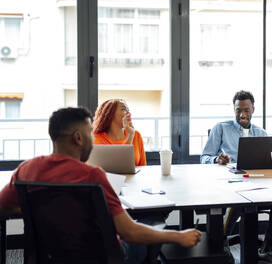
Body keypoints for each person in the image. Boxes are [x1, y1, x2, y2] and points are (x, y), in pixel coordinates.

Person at [0, 107, 201, 264]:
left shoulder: (26, 170)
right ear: (78, 137)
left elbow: (2, 208)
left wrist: (35, 210)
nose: (92, 141)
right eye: (89, 133)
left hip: (49, 256)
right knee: (154, 218)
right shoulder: (92, 175)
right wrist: (178, 236)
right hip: (104, 257)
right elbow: (128, 232)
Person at [200, 90, 272, 263]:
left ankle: (267, 247)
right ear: (234, 109)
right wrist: (217, 159)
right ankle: (223, 238)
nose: (242, 114)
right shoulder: (221, 128)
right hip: (229, 183)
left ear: (253, 109)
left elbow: (269, 163)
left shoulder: (261, 133)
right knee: (239, 197)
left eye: (246, 110)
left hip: (257, 183)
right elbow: (204, 158)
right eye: (238, 110)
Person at [93, 99, 146, 166]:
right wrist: (130, 137)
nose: (129, 114)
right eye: (124, 109)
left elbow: (143, 167)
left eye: (128, 110)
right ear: (110, 115)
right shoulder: (96, 138)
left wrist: (131, 135)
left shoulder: (136, 135)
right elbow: (119, 165)